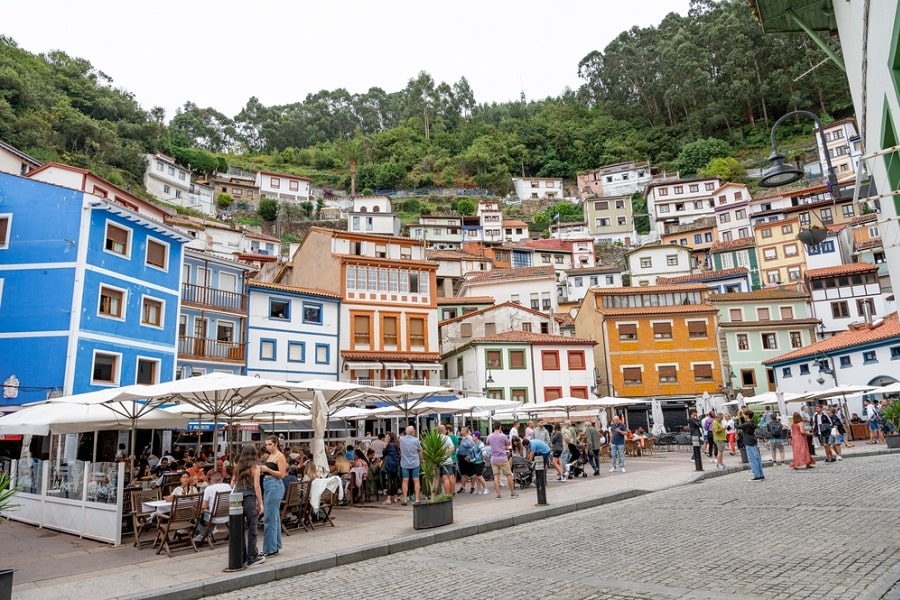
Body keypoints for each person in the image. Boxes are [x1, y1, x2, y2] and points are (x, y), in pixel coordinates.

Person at [232, 444, 265, 567]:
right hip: (249, 497)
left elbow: (232, 483)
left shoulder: (238, 467)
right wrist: (260, 502)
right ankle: (252, 556)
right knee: (252, 526)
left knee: (239, 528)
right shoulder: (255, 468)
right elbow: (256, 486)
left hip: (237, 497)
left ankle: (241, 555)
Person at [259, 435, 287, 557]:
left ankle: (269, 548)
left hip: (275, 485)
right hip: (268, 484)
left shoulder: (280, 456)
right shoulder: (271, 456)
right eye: (266, 444)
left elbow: (282, 474)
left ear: (275, 444)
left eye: (270, 444)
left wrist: (267, 470)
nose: (267, 446)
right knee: (273, 516)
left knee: (269, 517)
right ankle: (274, 546)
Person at [194, 471, 231, 543]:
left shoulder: (209, 489)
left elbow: (204, 506)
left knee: (196, 514)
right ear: (221, 479)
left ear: (211, 480)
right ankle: (206, 535)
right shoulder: (228, 486)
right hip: (227, 516)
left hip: (213, 517)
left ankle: (205, 535)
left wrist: (196, 507)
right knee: (211, 512)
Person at [486, 422, 517, 499]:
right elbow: (508, 443)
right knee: (508, 475)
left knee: (496, 476)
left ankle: (498, 494)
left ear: (493, 427)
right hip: (502, 458)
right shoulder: (503, 436)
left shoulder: (490, 436)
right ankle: (512, 493)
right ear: (500, 427)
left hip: (494, 459)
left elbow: (487, 443)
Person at [736, 410, 764, 481]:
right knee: (757, 458)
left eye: (745, 415)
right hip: (753, 441)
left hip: (748, 442)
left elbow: (737, 426)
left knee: (752, 459)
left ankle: (756, 475)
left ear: (747, 416)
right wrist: (741, 418)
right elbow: (743, 425)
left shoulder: (747, 424)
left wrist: (737, 419)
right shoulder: (751, 423)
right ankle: (760, 474)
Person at [399, 425, 422, 505]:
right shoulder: (416, 440)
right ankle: (417, 499)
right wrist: (422, 459)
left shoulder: (401, 440)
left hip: (404, 463)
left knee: (405, 481)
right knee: (416, 480)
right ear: (412, 431)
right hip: (415, 462)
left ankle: (405, 499)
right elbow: (419, 450)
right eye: (414, 430)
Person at [456, 427, 477, 495]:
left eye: (462, 430)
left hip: (467, 457)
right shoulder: (462, 438)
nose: (461, 431)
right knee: (463, 473)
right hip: (461, 457)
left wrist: (468, 457)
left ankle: (472, 487)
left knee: (471, 473)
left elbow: (472, 448)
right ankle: (463, 487)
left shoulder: (470, 438)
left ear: (466, 431)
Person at [381, 432, 401, 505]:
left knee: (389, 481)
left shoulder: (389, 445)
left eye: (387, 437)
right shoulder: (396, 445)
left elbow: (384, 453)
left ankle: (388, 498)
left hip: (389, 463)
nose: (386, 438)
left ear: (390, 437)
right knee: (395, 480)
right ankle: (395, 497)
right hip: (395, 463)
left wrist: (385, 444)